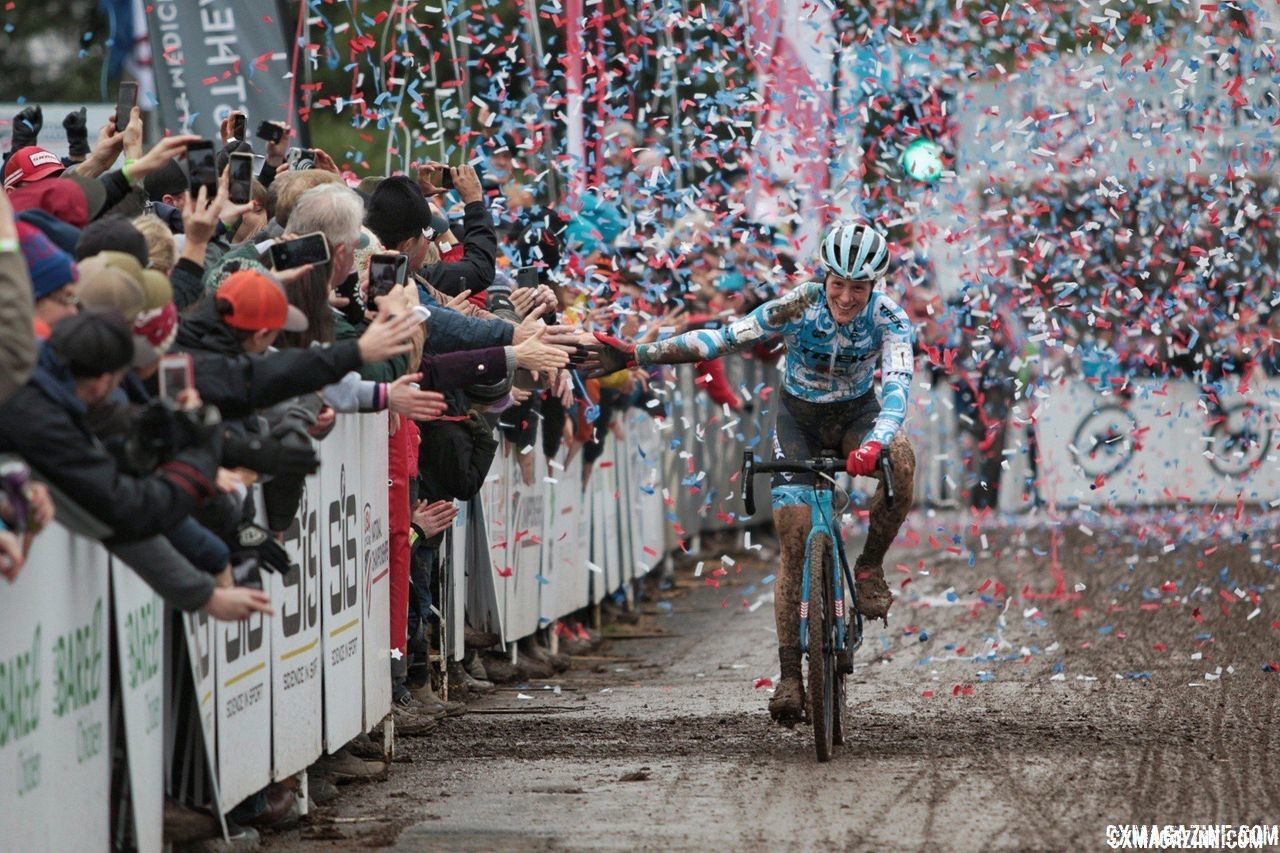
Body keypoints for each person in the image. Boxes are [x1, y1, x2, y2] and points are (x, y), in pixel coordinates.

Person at [586, 220, 918, 724]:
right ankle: (789, 675)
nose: (847, 298)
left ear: (875, 286)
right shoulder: (796, 306)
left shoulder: (890, 318)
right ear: (822, 277)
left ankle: (870, 567)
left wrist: (874, 441)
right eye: (838, 285)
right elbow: (718, 342)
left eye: (859, 287)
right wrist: (639, 353)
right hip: (798, 418)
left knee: (902, 460)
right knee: (793, 533)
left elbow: (896, 386)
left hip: (858, 416)